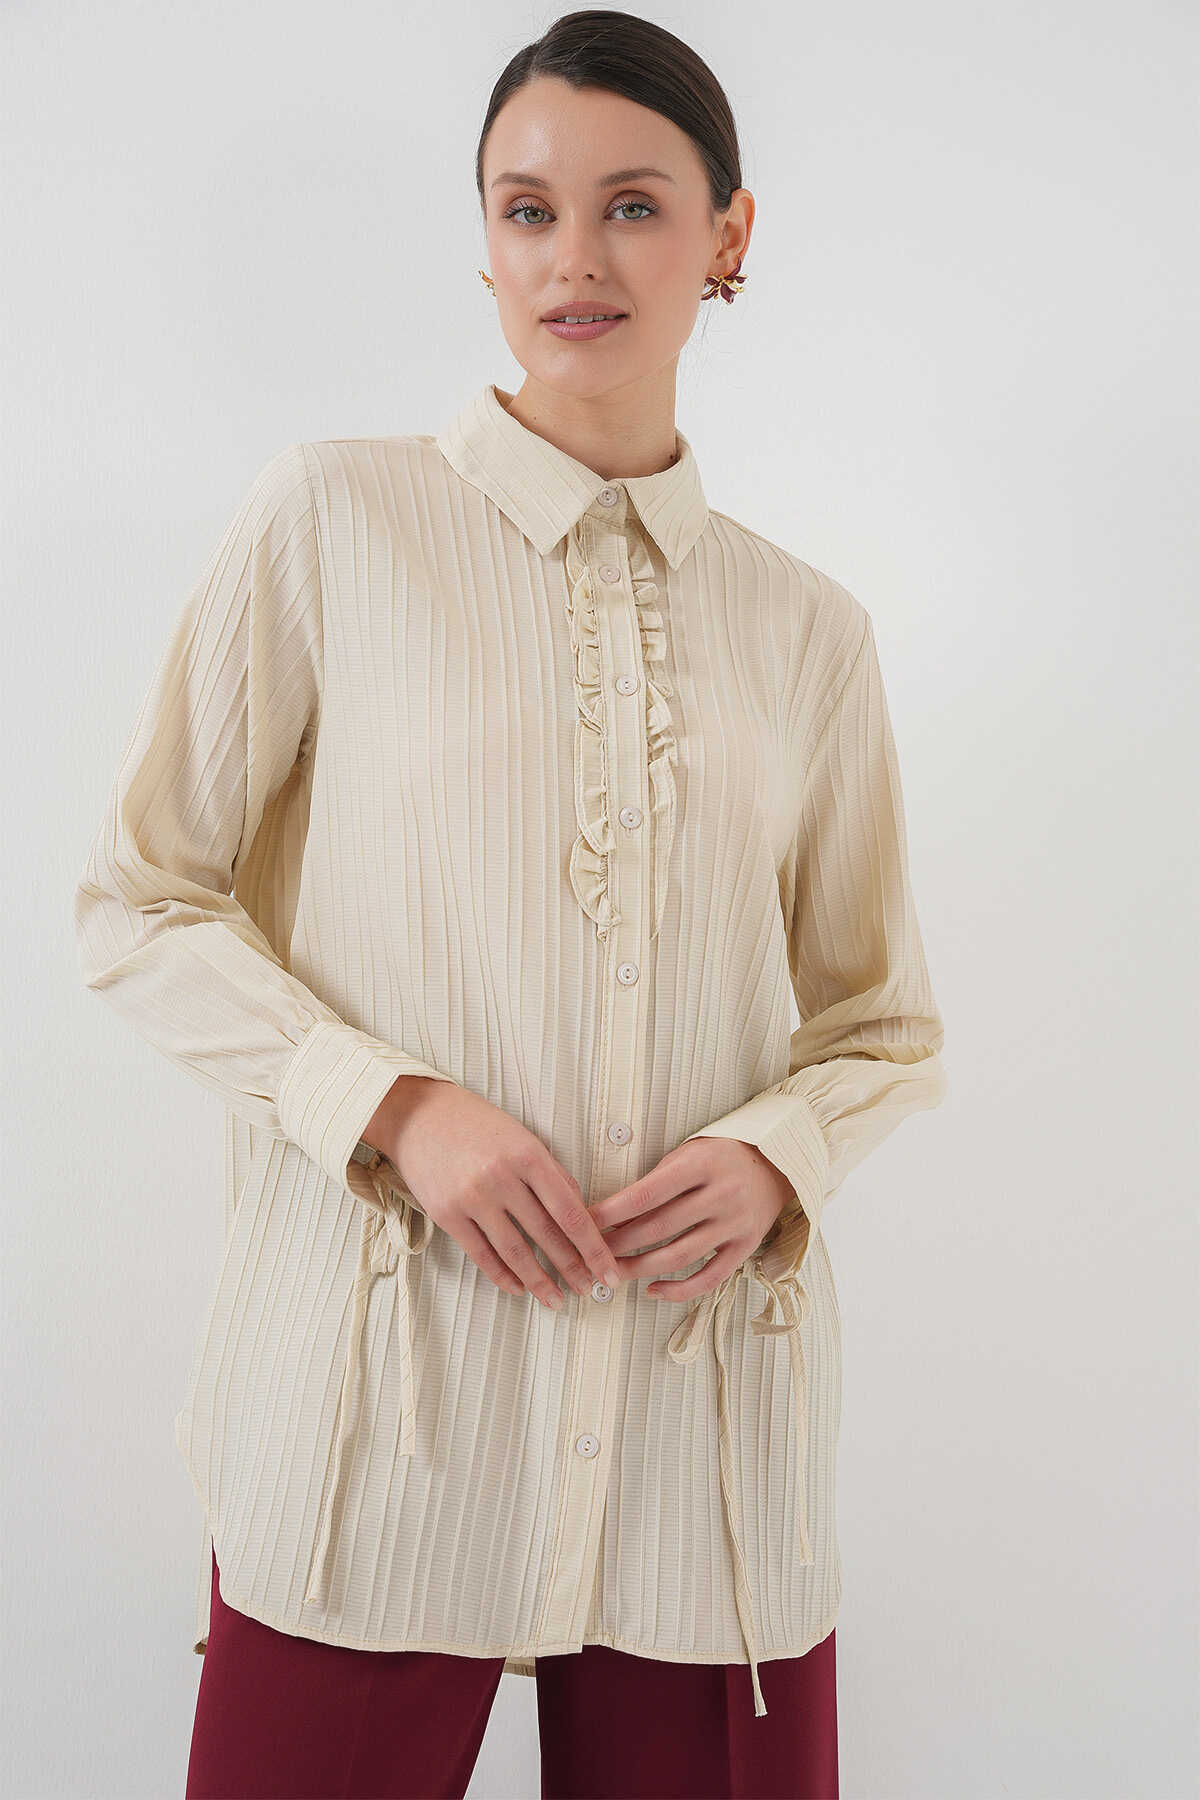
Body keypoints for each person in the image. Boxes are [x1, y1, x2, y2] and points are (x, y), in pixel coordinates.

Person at [74, 10, 947, 1798]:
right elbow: (138, 902)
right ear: (483, 239)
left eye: (634, 206)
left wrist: (780, 1152)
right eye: (528, 210)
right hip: (387, 1423)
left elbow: (882, 1024)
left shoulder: (809, 633)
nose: (574, 259)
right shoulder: (333, 524)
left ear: (728, 235)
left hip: (703, 1437)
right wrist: (398, 1107)